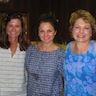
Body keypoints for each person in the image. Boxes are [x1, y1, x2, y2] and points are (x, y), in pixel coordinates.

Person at [25, 12, 65, 96]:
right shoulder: (31, 50)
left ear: (55, 32)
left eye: (49, 31)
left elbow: (68, 79)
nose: (45, 35)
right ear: (38, 33)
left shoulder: (61, 54)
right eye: (42, 31)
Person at [63, 9, 96, 96]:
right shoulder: (68, 47)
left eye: (86, 28)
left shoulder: (95, 48)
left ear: (91, 32)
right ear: (72, 29)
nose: (81, 31)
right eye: (77, 27)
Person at [0, 13, 30, 96]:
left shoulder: (27, 48)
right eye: (10, 26)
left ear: (21, 29)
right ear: (5, 27)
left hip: (21, 93)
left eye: (17, 26)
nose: (13, 29)